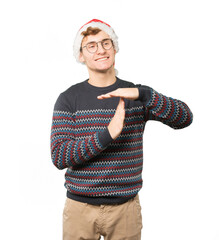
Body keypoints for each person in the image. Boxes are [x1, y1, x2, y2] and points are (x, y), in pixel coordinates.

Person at [50, 19, 193, 240]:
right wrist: (107, 135)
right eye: (91, 45)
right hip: (79, 209)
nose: (101, 50)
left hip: (126, 210)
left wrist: (145, 94)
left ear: (114, 48)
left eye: (106, 43)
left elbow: (184, 118)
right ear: (81, 55)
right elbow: (59, 156)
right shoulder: (69, 99)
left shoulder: (135, 95)